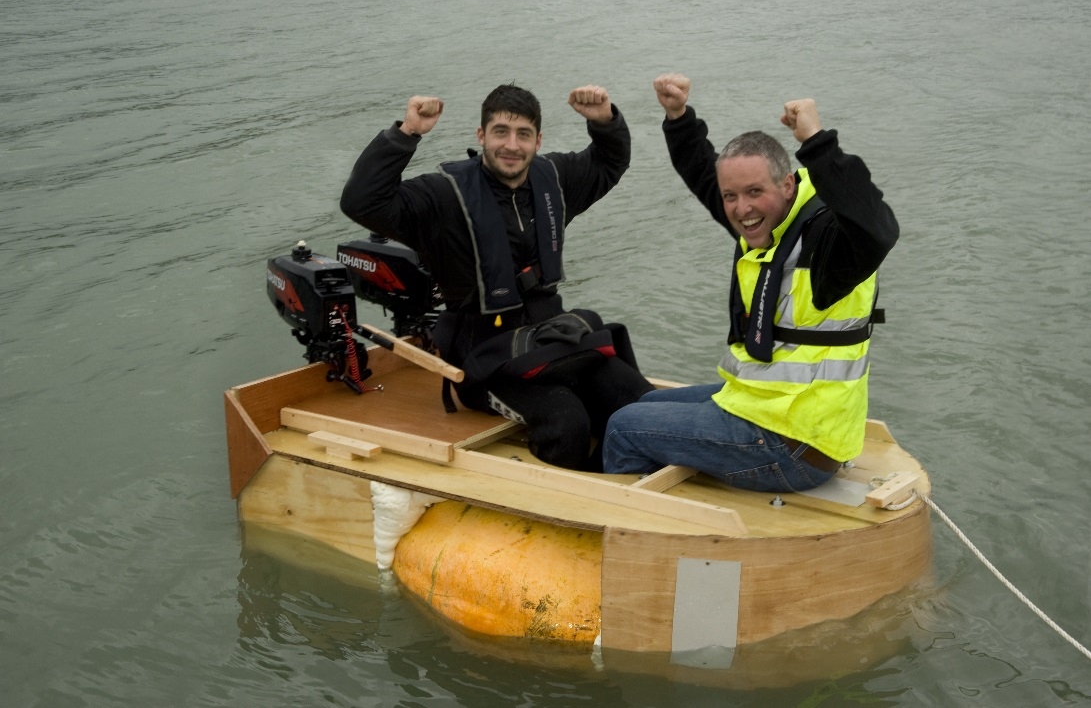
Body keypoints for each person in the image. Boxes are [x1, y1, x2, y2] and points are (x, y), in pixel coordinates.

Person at [602, 74, 899, 492]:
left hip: (795, 444)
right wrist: (678, 116)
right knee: (645, 404)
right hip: (767, 412)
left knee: (622, 428)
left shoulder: (828, 246)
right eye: (731, 197)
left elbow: (878, 229)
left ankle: (628, 535)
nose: (742, 209)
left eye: (754, 191)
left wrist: (816, 140)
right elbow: (706, 175)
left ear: (787, 184)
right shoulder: (769, 225)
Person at [340, 84, 654, 472]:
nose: (512, 145)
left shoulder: (554, 179)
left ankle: (626, 483)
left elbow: (610, 162)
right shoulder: (442, 197)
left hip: (549, 339)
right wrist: (408, 132)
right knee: (566, 420)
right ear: (481, 136)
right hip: (481, 356)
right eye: (501, 132)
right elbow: (361, 201)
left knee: (635, 398)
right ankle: (559, 506)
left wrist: (604, 121)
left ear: (537, 141)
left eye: (523, 134)